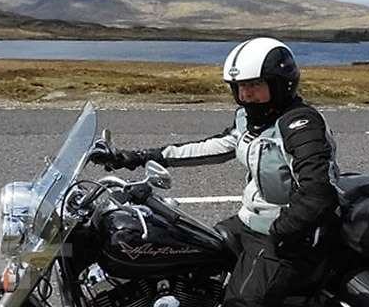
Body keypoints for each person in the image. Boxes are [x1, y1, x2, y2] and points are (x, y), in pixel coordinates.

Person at [90, 37, 340, 306]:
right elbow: (211, 147)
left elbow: (318, 193)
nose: (245, 95)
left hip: (289, 237)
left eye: (254, 84)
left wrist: (281, 232)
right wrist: (136, 157)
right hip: (249, 223)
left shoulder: (300, 125)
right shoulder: (249, 120)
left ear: (280, 83)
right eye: (240, 86)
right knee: (187, 260)